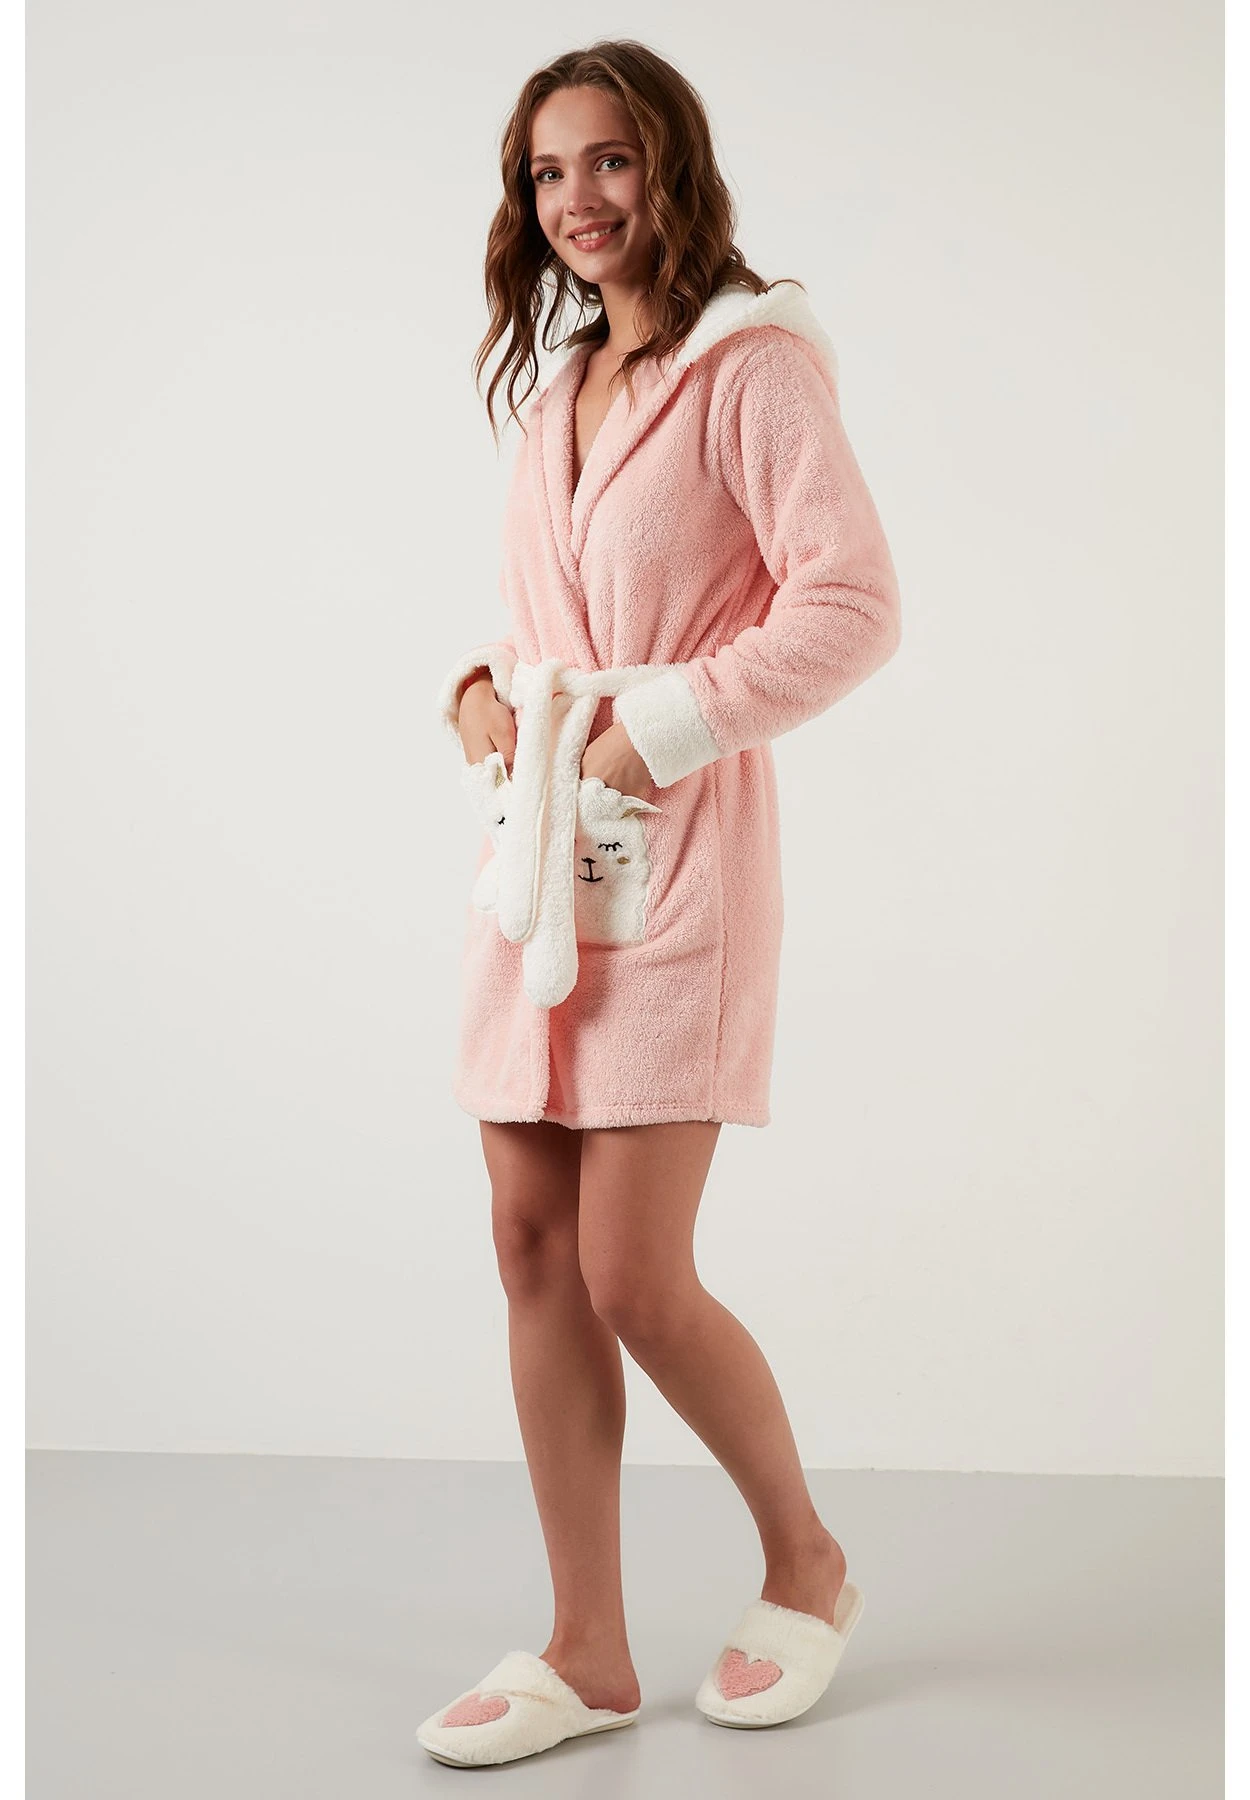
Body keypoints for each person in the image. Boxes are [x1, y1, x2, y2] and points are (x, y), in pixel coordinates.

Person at [418, 38, 901, 1769]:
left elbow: (849, 607)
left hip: (672, 848)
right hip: (538, 847)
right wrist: (481, 690)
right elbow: (547, 614)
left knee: (632, 1266)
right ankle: (587, 1649)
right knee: (529, 1241)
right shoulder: (562, 389)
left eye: (609, 161)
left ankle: (807, 1561)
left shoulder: (750, 368)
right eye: (547, 173)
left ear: (671, 166)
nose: (578, 200)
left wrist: (659, 732)